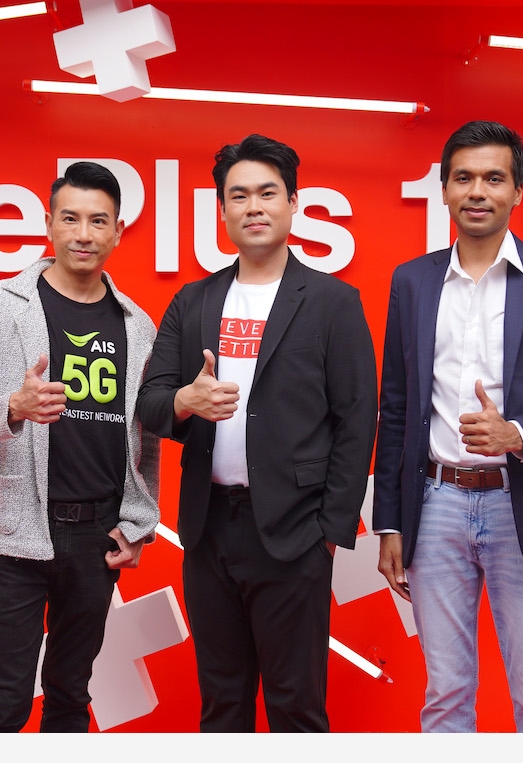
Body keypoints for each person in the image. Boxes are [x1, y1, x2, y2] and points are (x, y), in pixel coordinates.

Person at [373, 121, 523, 732]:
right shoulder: (412, 280)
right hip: (435, 506)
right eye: (463, 178)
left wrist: (521, 434)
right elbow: (396, 407)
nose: (477, 191)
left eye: (493, 178)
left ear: (518, 191)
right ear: (443, 189)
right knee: (445, 696)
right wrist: (390, 522)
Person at [137, 134, 377, 732]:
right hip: (209, 529)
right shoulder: (193, 301)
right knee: (222, 706)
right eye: (238, 196)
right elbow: (149, 403)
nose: (253, 207)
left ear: (293, 203)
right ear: (222, 210)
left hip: (295, 532)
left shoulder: (332, 302)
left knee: (296, 708)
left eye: (267, 193)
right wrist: (186, 401)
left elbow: (357, 419)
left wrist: (330, 531)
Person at [0, 161, 160, 732]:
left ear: (118, 231)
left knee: (70, 699)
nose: (83, 234)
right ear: (48, 224)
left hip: (96, 540)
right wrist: (13, 407)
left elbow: (145, 441)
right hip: (14, 536)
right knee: (3, 705)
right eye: (70, 218)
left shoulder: (138, 326)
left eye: (98, 221)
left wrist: (139, 524)